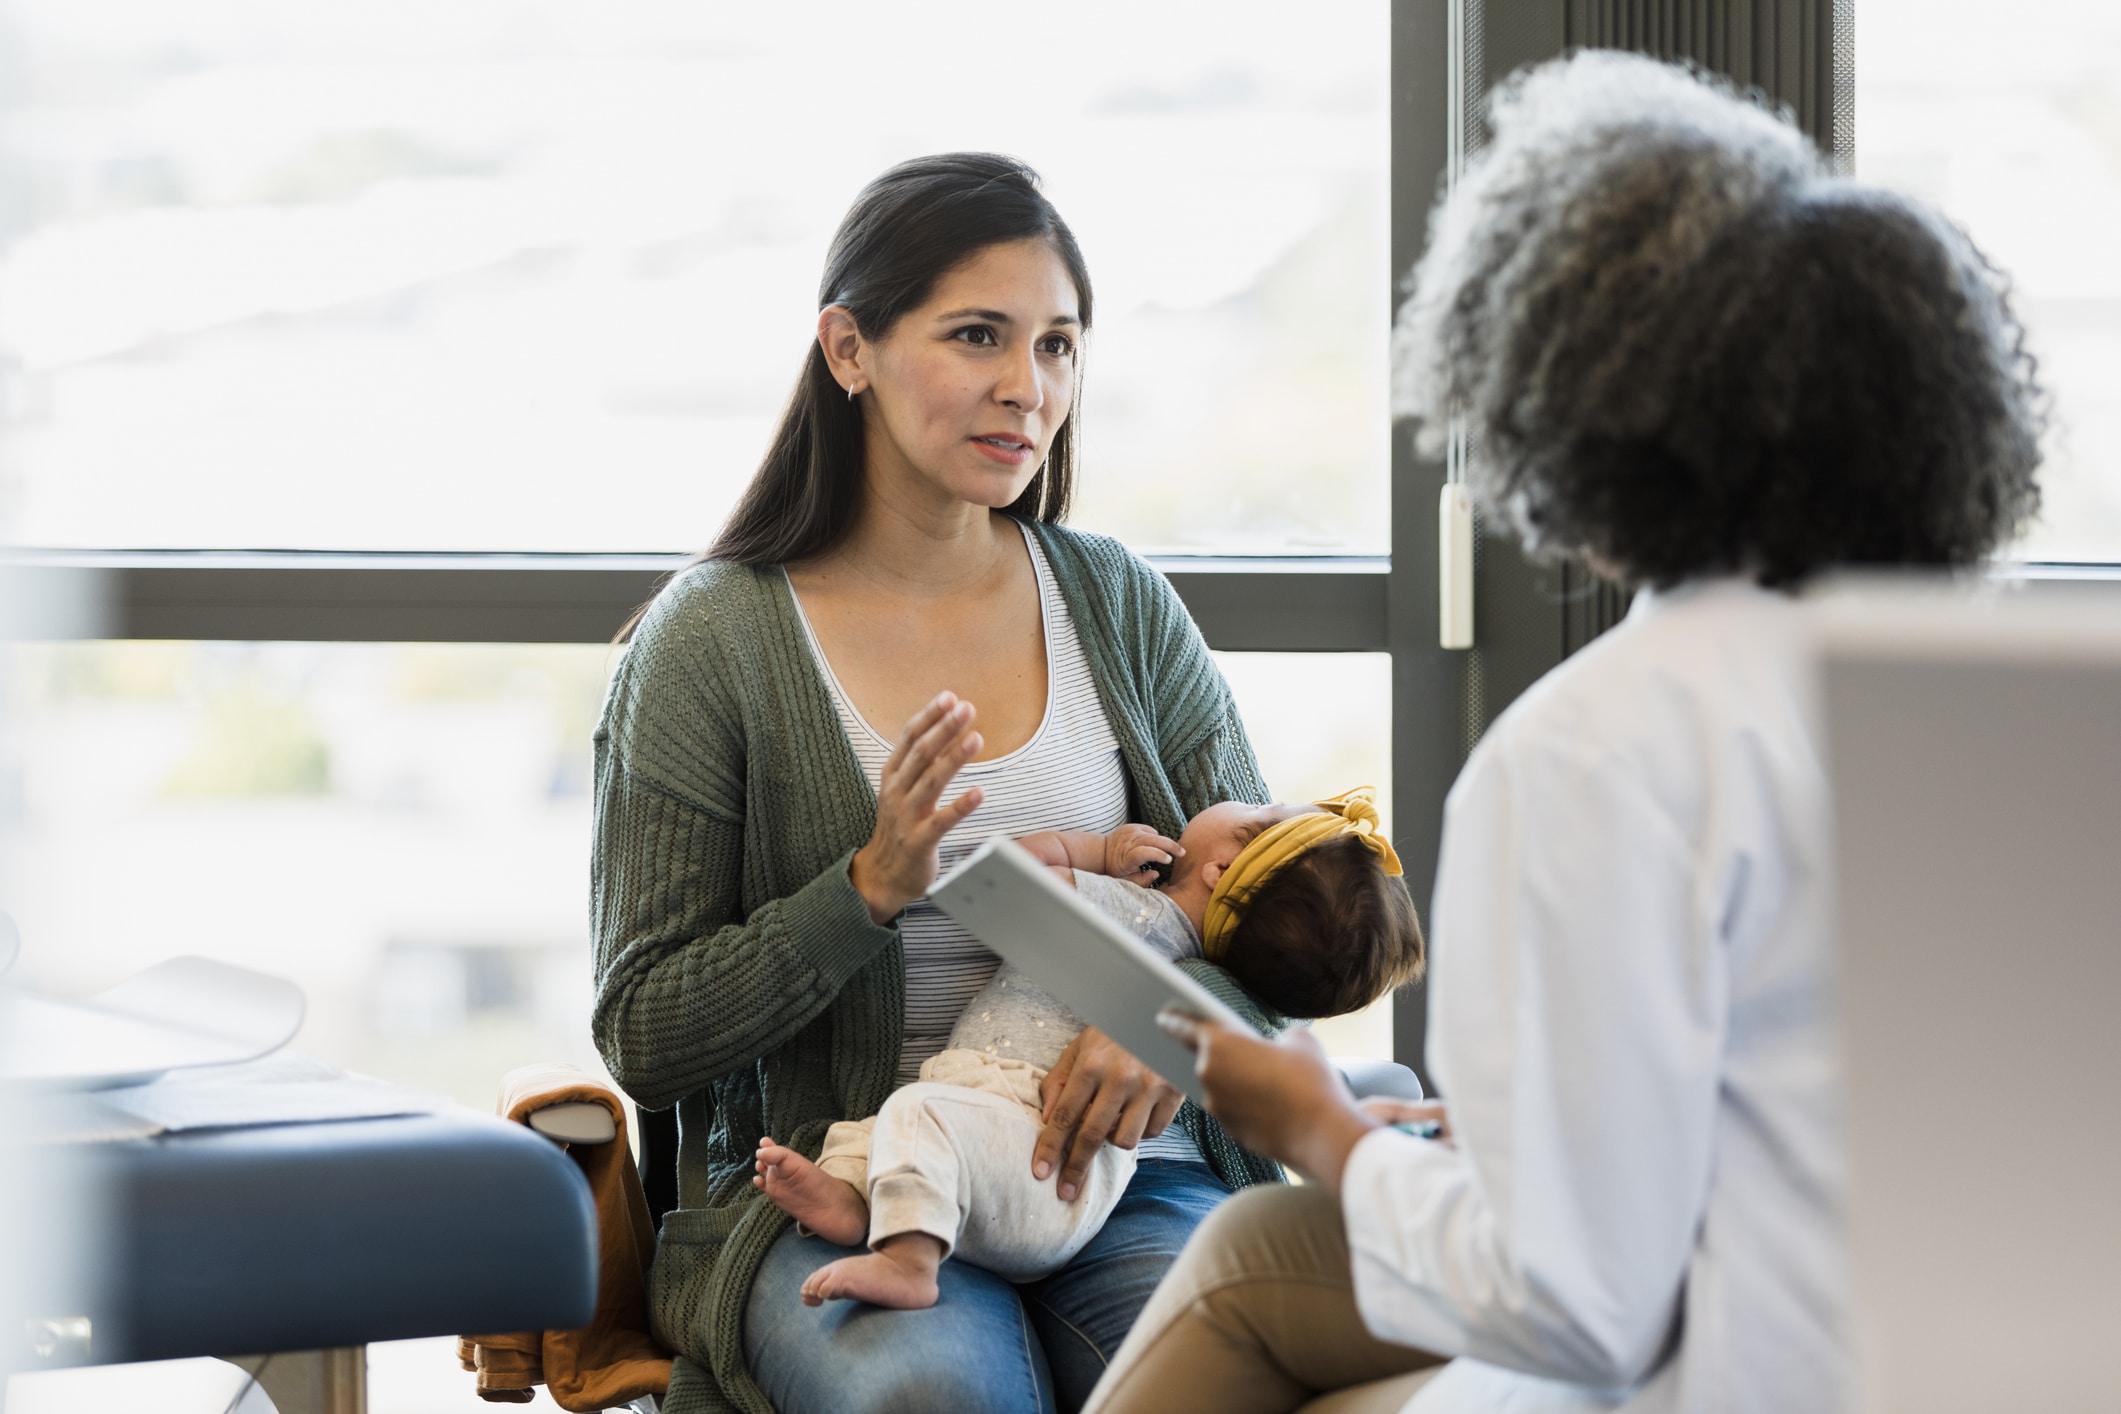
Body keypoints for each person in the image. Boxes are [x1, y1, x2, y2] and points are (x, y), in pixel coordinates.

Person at [1081, 52, 2045, 1414]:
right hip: (1954, 1345)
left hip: (1723, 1358)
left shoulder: (1606, 743)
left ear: (1573, 413)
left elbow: (1573, 1302)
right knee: (1249, 1244)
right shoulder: (1980, 694)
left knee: (1266, 1265)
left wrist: (1314, 1118)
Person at [591, 153, 1298, 1414]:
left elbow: (1273, 912)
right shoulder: (711, 642)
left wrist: (1175, 1011)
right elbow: (644, 1028)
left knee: (1237, 1379)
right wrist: (863, 890)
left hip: (1127, 1178)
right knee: (937, 1400)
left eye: (1059, 346)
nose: (1027, 388)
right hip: (850, 1179)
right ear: (848, 348)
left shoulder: (1120, 605)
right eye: (978, 335)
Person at [753, 789, 1424, 1310]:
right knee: (881, 1134)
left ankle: (907, 1261)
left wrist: (1094, 853)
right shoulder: (1204, 969)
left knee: (917, 1114)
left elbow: (1000, 877)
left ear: (1218, 869)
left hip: (1022, 1135)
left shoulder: (1130, 910)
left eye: (1258, 807)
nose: (1241, 795)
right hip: (1063, 1181)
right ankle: (853, 1200)